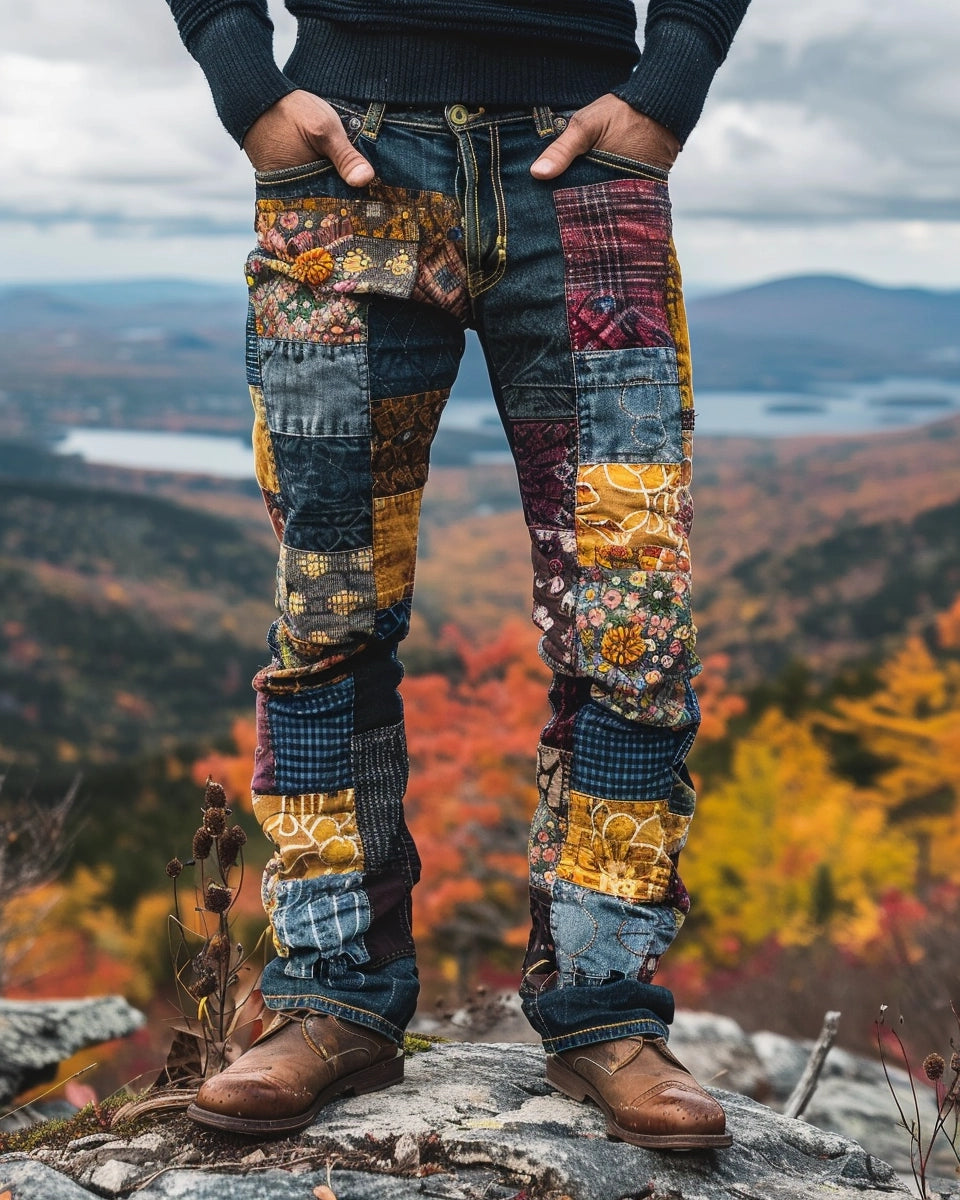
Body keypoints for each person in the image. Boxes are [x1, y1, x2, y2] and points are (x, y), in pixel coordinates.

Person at [164, 0, 750, 1148]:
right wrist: (245, 82)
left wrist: (675, 74)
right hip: (346, 157)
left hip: (582, 155)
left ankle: (604, 1013)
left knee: (628, 627)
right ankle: (331, 998)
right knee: (329, 616)